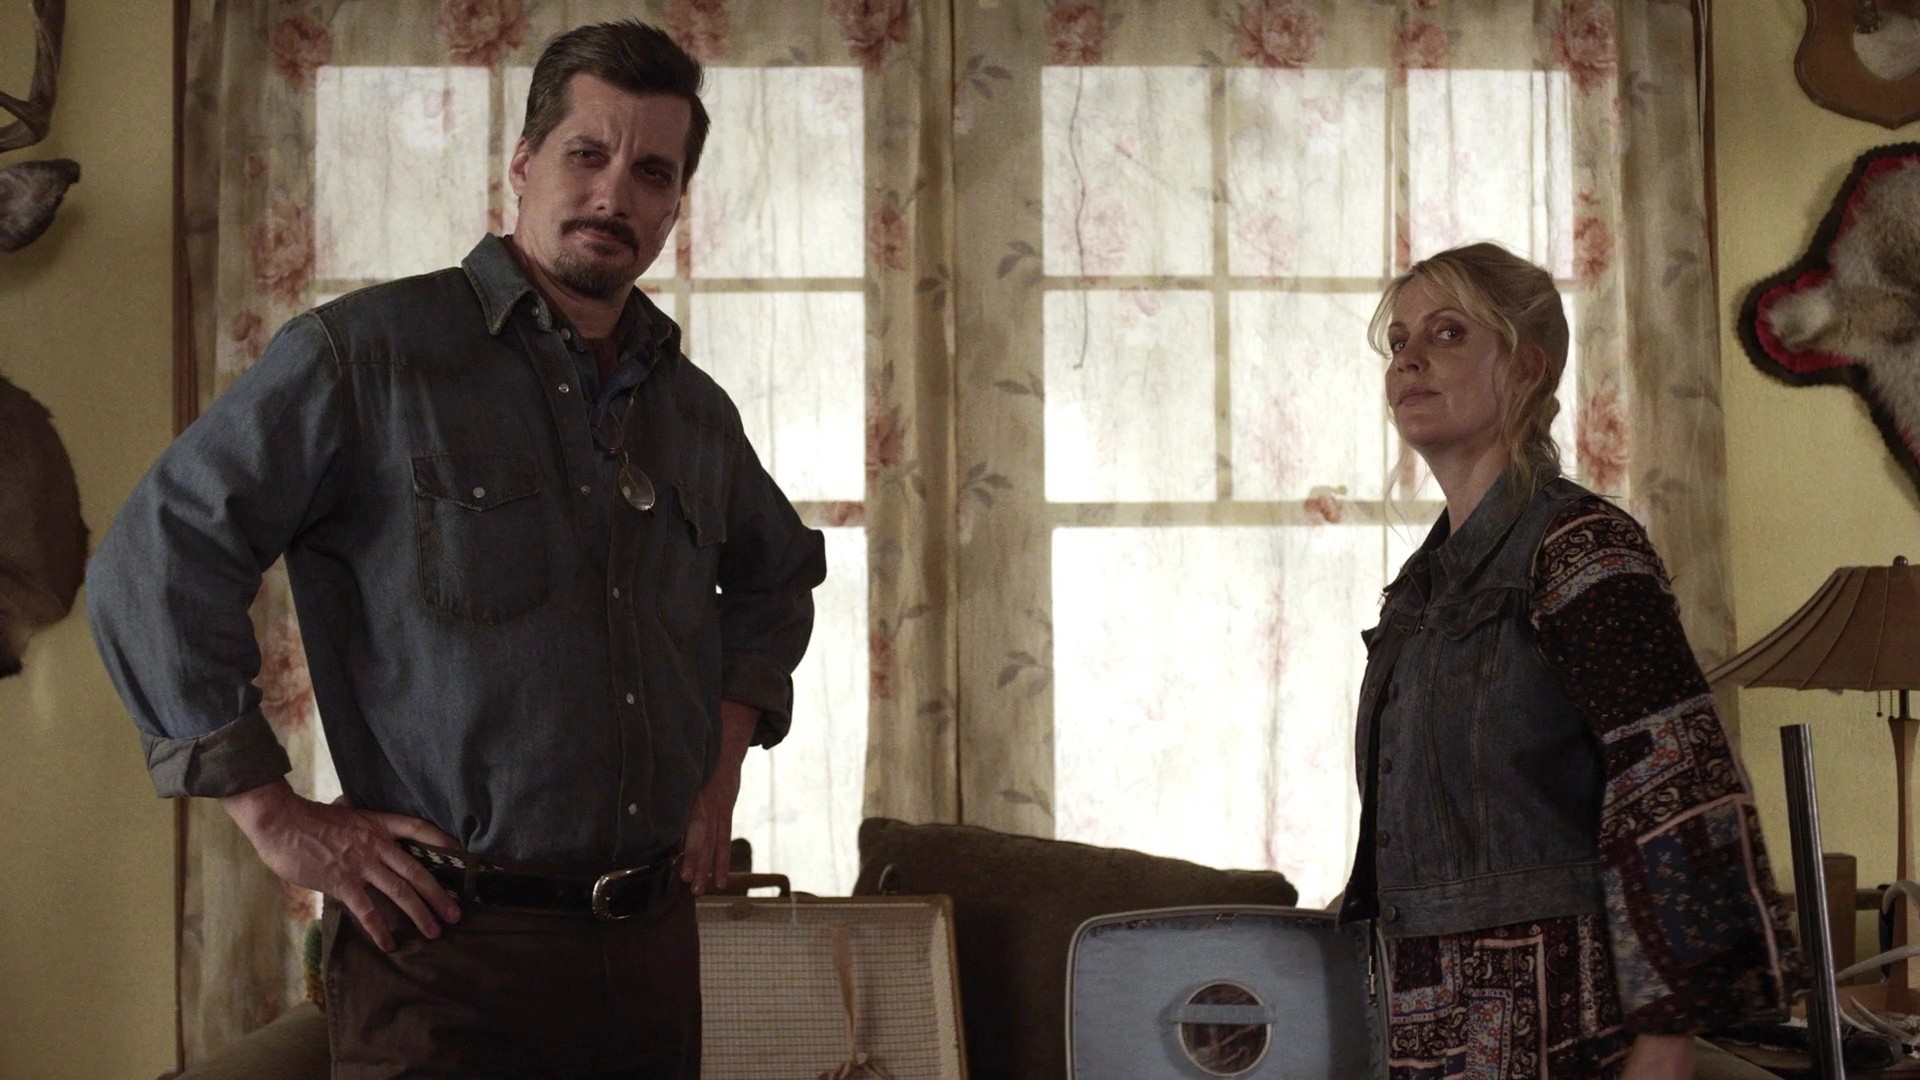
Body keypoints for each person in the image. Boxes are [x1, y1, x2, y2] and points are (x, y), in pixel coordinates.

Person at [87, 20, 826, 1077]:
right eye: (587, 154)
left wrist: (721, 768)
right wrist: (271, 810)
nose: (614, 195)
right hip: (442, 957)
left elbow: (776, 574)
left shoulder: (695, 413)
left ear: (674, 205)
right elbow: (159, 551)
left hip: (652, 959)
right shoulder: (367, 358)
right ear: (523, 164)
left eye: (652, 173)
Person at [1336, 242, 1801, 1078]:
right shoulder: (1418, 592)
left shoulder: (1583, 548)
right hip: (1428, 1028)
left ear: (1526, 366)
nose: (1407, 358)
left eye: (1447, 333)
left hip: (1564, 1027)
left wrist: (1666, 1042)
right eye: (1398, 341)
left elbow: (1674, 778)